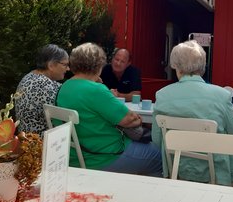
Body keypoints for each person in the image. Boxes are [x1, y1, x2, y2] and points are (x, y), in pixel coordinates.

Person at [152, 40, 233, 189]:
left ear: (176, 66)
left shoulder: (162, 95)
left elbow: (157, 139)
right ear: (202, 67)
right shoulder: (221, 95)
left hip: (178, 169)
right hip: (216, 173)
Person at [56, 42, 162, 175]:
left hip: (73, 156)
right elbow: (129, 120)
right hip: (104, 156)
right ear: (98, 65)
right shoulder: (96, 90)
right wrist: (138, 120)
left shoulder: (65, 87)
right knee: (159, 157)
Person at [15, 44, 69, 135]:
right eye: (65, 64)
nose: (68, 69)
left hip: (24, 138)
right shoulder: (48, 86)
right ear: (51, 65)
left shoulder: (29, 76)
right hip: (40, 143)